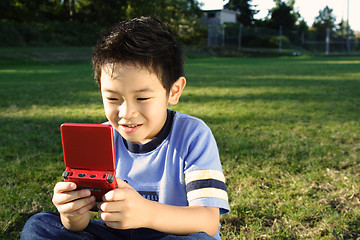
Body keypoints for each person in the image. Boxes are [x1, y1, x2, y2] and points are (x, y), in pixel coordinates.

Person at [21, 17, 230, 240]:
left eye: (142, 97)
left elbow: (208, 221)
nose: (126, 112)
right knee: (40, 226)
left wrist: (147, 213)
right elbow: (78, 225)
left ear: (174, 91)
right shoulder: (99, 139)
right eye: (112, 98)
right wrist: (73, 214)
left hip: (172, 236)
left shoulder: (193, 135)